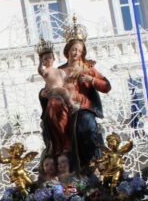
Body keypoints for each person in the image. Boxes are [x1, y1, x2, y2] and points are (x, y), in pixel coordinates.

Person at [40, 30, 112, 170]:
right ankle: (63, 153)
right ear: (67, 51)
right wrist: (43, 94)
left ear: (82, 53)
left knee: (86, 123)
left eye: (79, 50)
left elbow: (106, 86)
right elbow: (50, 88)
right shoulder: (59, 70)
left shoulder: (88, 68)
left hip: (83, 106)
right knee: (53, 112)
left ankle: (93, 162)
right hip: (64, 105)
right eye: (74, 49)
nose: (76, 53)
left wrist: (91, 79)